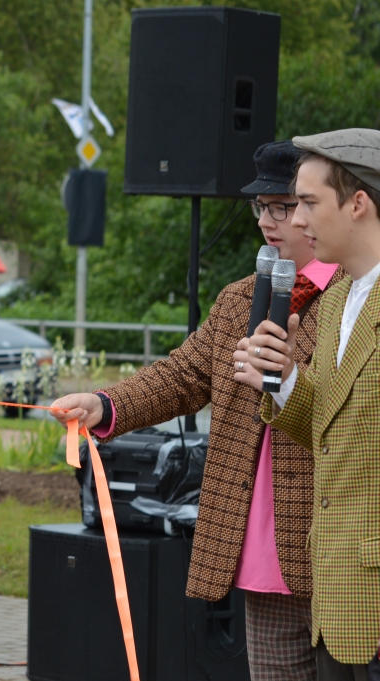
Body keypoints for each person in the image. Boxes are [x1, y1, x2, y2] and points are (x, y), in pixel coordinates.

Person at [51, 140, 344, 681]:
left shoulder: (359, 298)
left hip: (333, 553)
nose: (269, 222)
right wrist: (104, 403)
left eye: (284, 205)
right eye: (262, 208)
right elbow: (182, 376)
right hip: (261, 554)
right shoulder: (239, 299)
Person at [244, 129, 380, 681]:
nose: (295, 220)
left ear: (358, 203)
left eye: (307, 203)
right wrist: (284, 380)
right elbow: (329, 428)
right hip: (338, 603)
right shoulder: (345, 295)